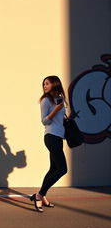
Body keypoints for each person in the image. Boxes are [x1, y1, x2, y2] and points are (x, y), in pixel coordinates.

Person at [30, 75, 67, 212]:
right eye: (44, 84)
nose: (45, 86)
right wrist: (56, 110)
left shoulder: (60, 99)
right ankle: (39, 195)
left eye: (47, 83)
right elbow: (44, 121)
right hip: (51, 136)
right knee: (63, 169)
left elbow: (60, 120)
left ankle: (42, 194)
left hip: (58, 137)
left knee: (53, 169)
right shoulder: (45, 100)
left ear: (55, 84)